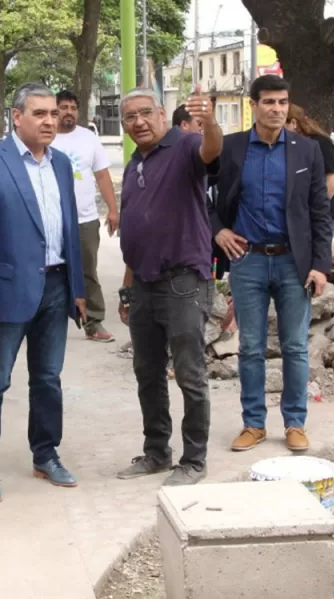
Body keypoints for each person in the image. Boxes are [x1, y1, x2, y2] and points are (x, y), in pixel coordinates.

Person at [0, 83, 86, 504]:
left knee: (48, 379)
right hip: (8, 292)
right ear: (17, 117)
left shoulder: (62, 164)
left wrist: (78, 288)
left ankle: (46, 454)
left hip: (55, 286)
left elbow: (70, 230)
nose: (50, 121)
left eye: (53, 113)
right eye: (39, 113)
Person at [210, 75, 332, 455]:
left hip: (294, 264)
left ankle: (295, 423)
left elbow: (319, 212)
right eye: (269, 102)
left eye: (282, 102)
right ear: (254, 105)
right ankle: (253, 423)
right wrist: (218, 231)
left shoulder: (305, 150)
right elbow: (200, 195)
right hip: (247, 261)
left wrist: (320, 265)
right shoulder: (231, 149)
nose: (277, 109)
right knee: (250, 347)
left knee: (295, 347)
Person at [114, 87, 222, 487]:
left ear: (162, 114)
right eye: (130, 117)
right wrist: (127, 288)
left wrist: (209, 120)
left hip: (183, 283)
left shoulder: (186, 146)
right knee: (148, 373)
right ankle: (157, 452)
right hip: (142, 283)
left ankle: (194, 460)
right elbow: (133, 230)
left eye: (145, 113)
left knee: (190, 375)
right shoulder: (134, 163)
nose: (138, 122)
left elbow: (212, 150)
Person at [53, 89, 118, 343]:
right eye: (63, 107)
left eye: (72, 107)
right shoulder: (44, 136)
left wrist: (113, 209)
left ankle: (94, 321)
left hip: (84, 218)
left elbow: (102, 175)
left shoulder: (88, 138)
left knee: (88, 270)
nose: (68, 112)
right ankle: (35, 320)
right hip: (50, 219)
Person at [286, 103, 334, 237]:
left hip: (326, 209)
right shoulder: (292, 143)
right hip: (304, 210)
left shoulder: (320, 143)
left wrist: (318, 208)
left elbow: (333, 178)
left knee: (319, 248)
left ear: (293, 123)